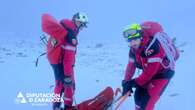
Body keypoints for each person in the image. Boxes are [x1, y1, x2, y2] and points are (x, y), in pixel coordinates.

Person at [121, 22, 180, 110]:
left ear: (141, 37)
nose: (133, 43)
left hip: (162, 74)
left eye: (135, 39)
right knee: (138, 96)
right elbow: (131, 66)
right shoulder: (133, 50)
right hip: (147, 74)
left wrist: (133, 83)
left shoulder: (153, 47)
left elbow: (150, 71)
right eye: (130, 41)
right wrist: (126, 82)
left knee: (146, 101)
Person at [42, 12, 88, 110]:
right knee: (68, 85)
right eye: (81, 24)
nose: (81, 28)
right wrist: (67, 76)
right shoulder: (71, 37)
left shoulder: (64, 28)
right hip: (62, 63)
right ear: (75, 21)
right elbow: (68, 60)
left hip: (55, 61)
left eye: (82, 25)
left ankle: (56, 106)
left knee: (59, 84)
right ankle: (66, 107)